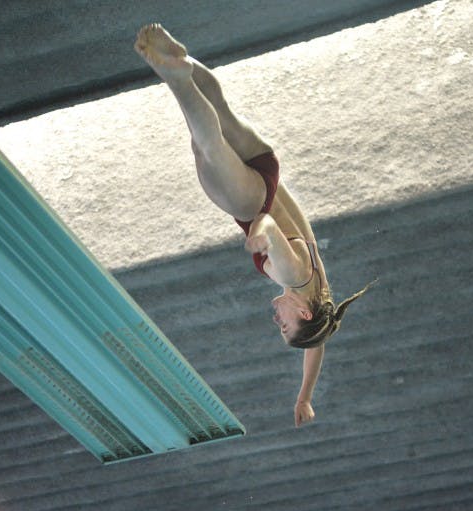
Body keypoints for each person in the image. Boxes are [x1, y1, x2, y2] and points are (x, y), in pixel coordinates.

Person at [135, 24, 373, 427]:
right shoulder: (292, 275)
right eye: (284, 326)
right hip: (250, 202)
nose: (276, 322)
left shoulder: (321, 294)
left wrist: (305, 395)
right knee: (205, 144)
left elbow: (316, 344)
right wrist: (261, 233)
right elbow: (267, 226)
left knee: (219, 108)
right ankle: (175, 76)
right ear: (302, 310)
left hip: (268, 170)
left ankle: (185, 61)